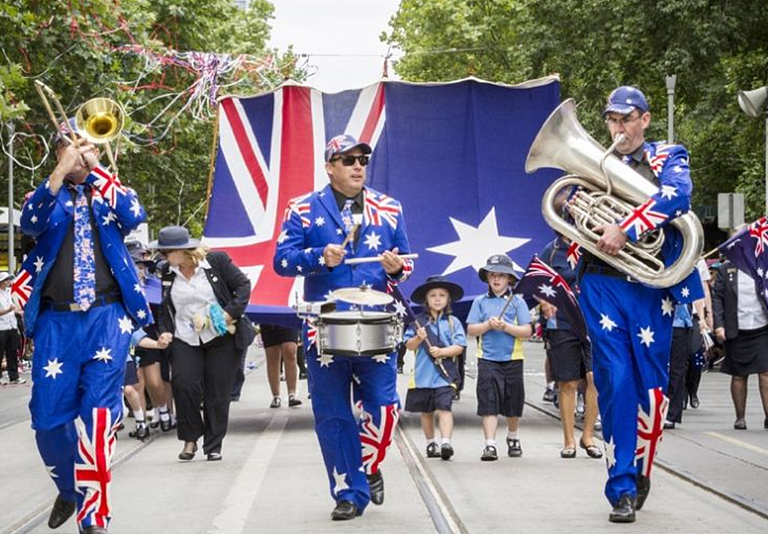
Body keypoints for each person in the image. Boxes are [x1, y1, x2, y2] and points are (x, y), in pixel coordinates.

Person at [18, 119, 151, 534]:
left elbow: (135, 214)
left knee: (98, 421)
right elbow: (30, 224)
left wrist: (97, 168)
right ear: (58, 150)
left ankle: (94, 516)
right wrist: (60, 172)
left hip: (106, 318)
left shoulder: (110, 195)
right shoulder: (43, 196)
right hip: (57, 322)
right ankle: (72, 488)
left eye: (87, 143)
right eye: (72, 145)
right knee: (47, 421)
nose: (80, 150)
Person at [576, 86, 702, 523]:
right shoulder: (598, 161)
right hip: (601, 282)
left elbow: (678, 197)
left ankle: (641, 466)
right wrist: (577, 208)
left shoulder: (668, 155)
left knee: (651, 389)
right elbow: (565, 202)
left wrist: (626, 228)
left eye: (626, 120)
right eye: (612, 120)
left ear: (645, 120)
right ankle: (622, 485)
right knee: (615, 381)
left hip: (650, 285)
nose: (618, 129)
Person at [274, 134, 413, 520]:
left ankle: (367, 465)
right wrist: (320, 257)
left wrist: (397, 268)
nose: (357, 166)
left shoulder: (389, 208)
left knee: (384, 409)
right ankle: (347, 491)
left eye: (362, 160)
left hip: (376, 322)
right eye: (347, 160)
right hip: (324, 325)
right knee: (333, 413)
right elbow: (282, 262)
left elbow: (407, 262)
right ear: (329, 167)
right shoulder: (302, 208)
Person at [152, 226, 255, 462]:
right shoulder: (167, 273)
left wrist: (228, 315)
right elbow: (166, 308)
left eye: (166, 252)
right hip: (185, 337)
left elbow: (243, 287)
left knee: (217, 392)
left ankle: (213, 444)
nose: (163, 257)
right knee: (183, 384)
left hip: (220, 336)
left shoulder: (216, 262)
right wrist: (165, 332)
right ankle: (190, 439)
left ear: (183, 250)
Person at [538, 235, 601, 459]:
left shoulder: (594, 244)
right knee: (569, 382)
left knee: (595, 378)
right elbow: (538, 281)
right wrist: (544, 301)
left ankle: (588, 436)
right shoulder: (552, 250)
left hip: (594, 320)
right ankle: (569, 440)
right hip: (563, 321)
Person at [466, 254, 532, 462]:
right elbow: (471, 329)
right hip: (487, 358)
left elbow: (527, 330)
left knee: (513, 401)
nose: (496, 280)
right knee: (488, 401)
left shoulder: (517, 302)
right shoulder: (480, 302)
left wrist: (506, 327)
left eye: (501, 276)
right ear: (487, 278)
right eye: (493, 275)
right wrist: (488, 325)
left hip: (513, 358)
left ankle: (513, 436)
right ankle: (490, 444)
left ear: (509, 279)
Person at [403, 275, 466, 460]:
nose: (437, 299)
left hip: (445, 376)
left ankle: (446, 442)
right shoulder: (418, 323)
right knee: (426, 411)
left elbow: (460, 346)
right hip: (423, 376)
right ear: (426, 299)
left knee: (445, 408)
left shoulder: (453, 322)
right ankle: (431, 442)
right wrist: (419, 338)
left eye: (442, 295)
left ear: (448, 299)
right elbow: (409, 345)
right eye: (433, 295)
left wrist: (443, 351)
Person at [711, 259, 768, 430]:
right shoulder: (726, 269)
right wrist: (719, 325)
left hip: (762, 327)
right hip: (737, 328)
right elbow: (717, 298)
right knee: (739, 374)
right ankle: (740, 417)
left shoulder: (764, 266)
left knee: (765, 373)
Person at [260, 323, 302, 408]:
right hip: (268, 319)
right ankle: (276, 396)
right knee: (272, 357)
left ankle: (292, 394)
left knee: (290, 351)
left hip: (287, 317)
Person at [0, 272, 24, 385]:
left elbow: (13, 308)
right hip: (1, 327)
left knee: (12, 352)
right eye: (6, 280)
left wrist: (18, 312)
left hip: (12, 326)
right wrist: (8, 310)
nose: (9, 282)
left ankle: (14, 377)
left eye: (9, 279)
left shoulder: (9, 293)